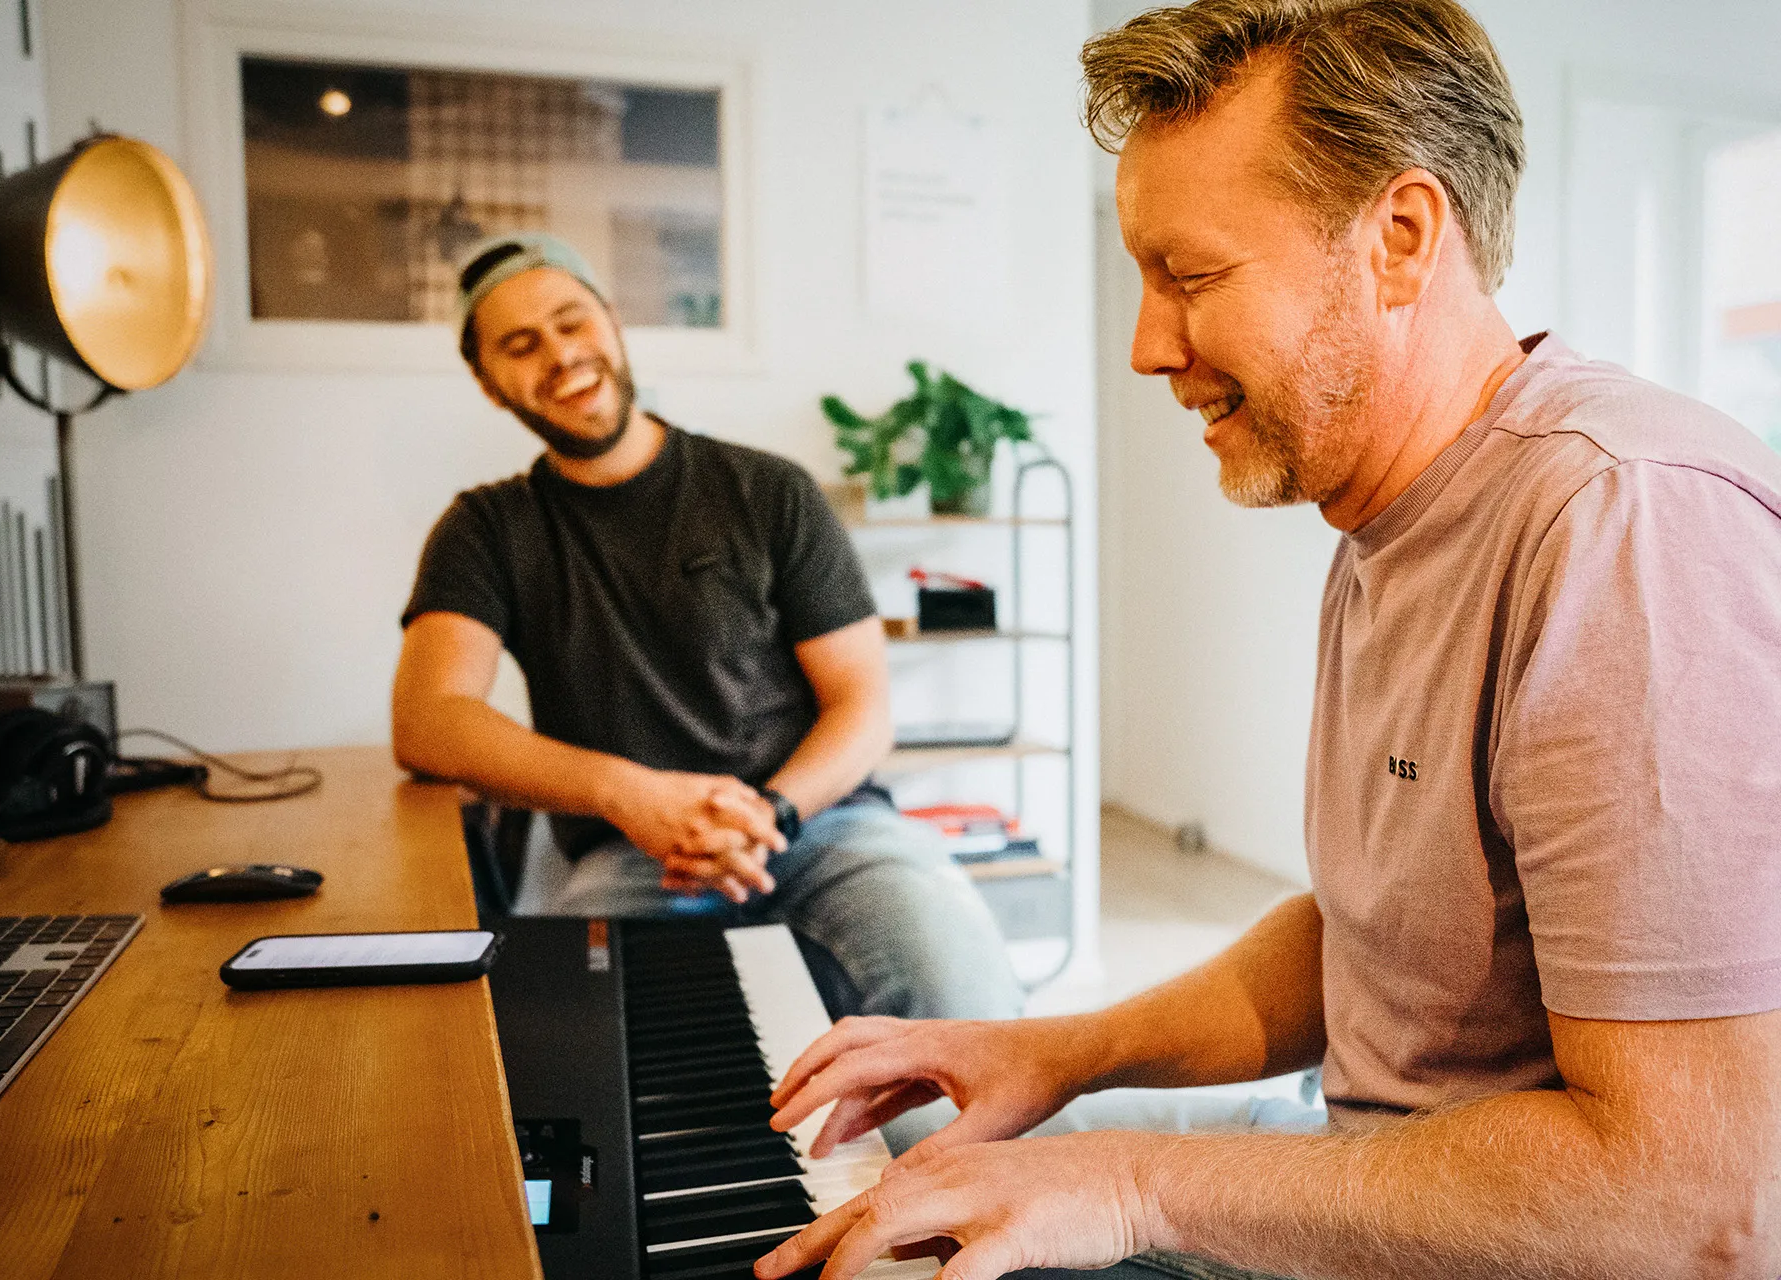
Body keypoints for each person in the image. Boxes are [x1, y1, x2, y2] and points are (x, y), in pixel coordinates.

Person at [755, 1, 1781, 1278]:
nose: (1145, 346)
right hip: (1365, 1155)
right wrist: (1055, 1050)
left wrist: (1131, 1181)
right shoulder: (1384, 511)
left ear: (1399, 240)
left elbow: (1688, 1198)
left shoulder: (1627, 525)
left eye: (1190, 276)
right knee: (908, 1175)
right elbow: (1377, 943)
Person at [390, 232, 1021, 1023]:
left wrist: (768, 814)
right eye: (520, 345)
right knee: (561, 1050)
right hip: (632, 857)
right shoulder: (486, 529)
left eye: (571, 321)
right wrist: (629, 796)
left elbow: (861, 706)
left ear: (613, 325)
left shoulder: (769, 491)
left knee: (966, 1012)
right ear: (490, 384)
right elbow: (428, 721)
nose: (558, 354)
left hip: (824, 826)